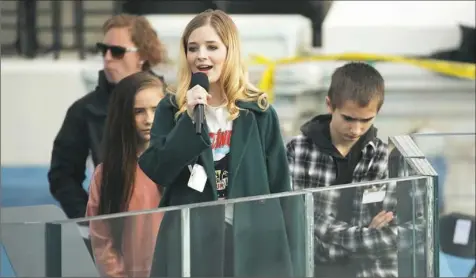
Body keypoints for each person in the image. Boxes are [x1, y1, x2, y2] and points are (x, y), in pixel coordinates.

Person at [138, 9, 305, 277]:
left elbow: (280, 188)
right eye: (192, 48)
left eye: (211, 47)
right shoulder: (172, 109)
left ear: (230, 52)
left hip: (252, 242)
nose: (200, 55)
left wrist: (291, 259)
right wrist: (189, 118)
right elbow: (159, 170)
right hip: (194, 241)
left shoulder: (259, 112)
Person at [48, 13, 166, 220]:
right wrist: (91, 220)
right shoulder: (84, 110)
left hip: (170, 227)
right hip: (115, 228)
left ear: (143, 55)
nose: (107, 58)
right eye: (104, 49)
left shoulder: (172, 103)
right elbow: (62, 176)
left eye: (118, 51)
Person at [286, 62, 398, 277]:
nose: (356, 129)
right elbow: (298, 219)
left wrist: (328, 236)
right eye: (348, 118)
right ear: (330, 105)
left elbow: (398, 234)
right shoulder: (297, 151)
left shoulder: (384, 158)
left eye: (366, 120)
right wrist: (366, 236)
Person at [86, 72, 165, 278]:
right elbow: (102, 239)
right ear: (124, 116)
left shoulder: (181, 164)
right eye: (139, 111)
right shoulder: (106, 174)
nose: (149, 119)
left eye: (156, 110)